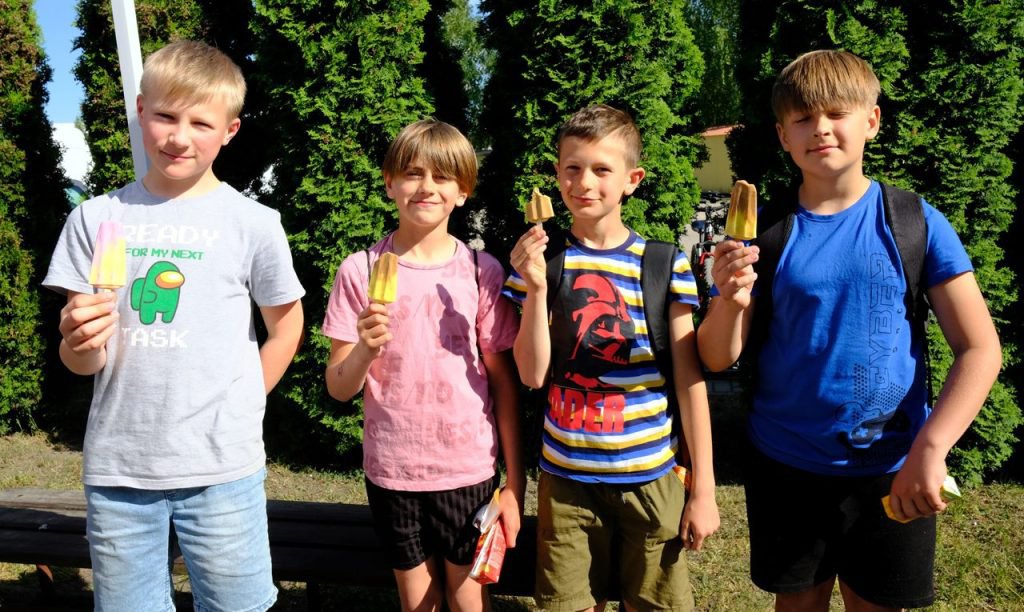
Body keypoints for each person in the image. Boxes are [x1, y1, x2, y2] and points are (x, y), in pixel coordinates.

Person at [697, 50, 1002, 611]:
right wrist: (729, 303)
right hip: (786, 463)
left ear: (872, 121)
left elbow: (979, 347)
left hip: (894, 465)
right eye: (802, 119)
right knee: (798, 605)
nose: (820, 129)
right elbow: (716, 358)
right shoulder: (765, 235)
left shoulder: (915, 222)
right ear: (783, 136)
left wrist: (931, 448)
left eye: (837, 113)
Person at [43, 40, 305, 611]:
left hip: (222, 466)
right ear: (141, 111)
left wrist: (246, 399)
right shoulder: (96, 218)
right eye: (164, 115)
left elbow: (287, 327)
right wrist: (77, 340)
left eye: (200, 123)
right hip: (120, 469)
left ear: (229, 131)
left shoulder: (253, 224)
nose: (179, 137)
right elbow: (82, 362)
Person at [505, 104, 719, 612]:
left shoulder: (664, 264)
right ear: (557, 174)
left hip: (650, 477)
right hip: (566, 481)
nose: (584, 182)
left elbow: (689, 380)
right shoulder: (541, 264)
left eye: (602, 169)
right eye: (572, 168)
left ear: (631, 181)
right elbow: (531, 375)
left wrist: (704, 490)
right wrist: (536, 290)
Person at [322, 119, 524, 612]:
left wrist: (515, 485)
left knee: (468, 598)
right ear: (390, 183)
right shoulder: (360, 270)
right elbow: (339, 387)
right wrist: (364, 349)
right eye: (413, 173)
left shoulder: (481, 271)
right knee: (417, 604)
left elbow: (503, 384)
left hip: (467, 469)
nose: (427, 187)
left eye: (442, 176)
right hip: (393, 471)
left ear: (463, 192)